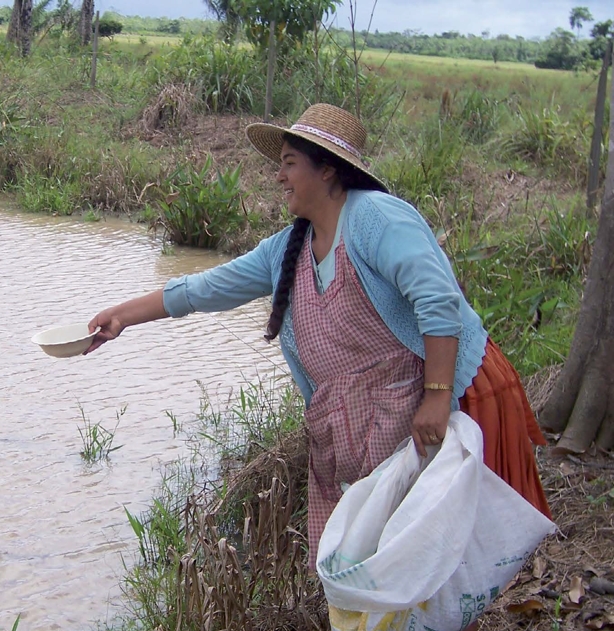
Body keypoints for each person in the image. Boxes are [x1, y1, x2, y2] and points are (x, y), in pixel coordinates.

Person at [85, 103, 551, 571]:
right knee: (400, 563)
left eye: (289, 163)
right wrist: (122, 317)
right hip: (388, 421)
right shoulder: (288, 248)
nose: (279, 176)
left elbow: (439, 302)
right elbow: (206, 288)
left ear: (327, 169)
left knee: (471, 557)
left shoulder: (376, 219)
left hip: (460, 396)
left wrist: (436, 394)